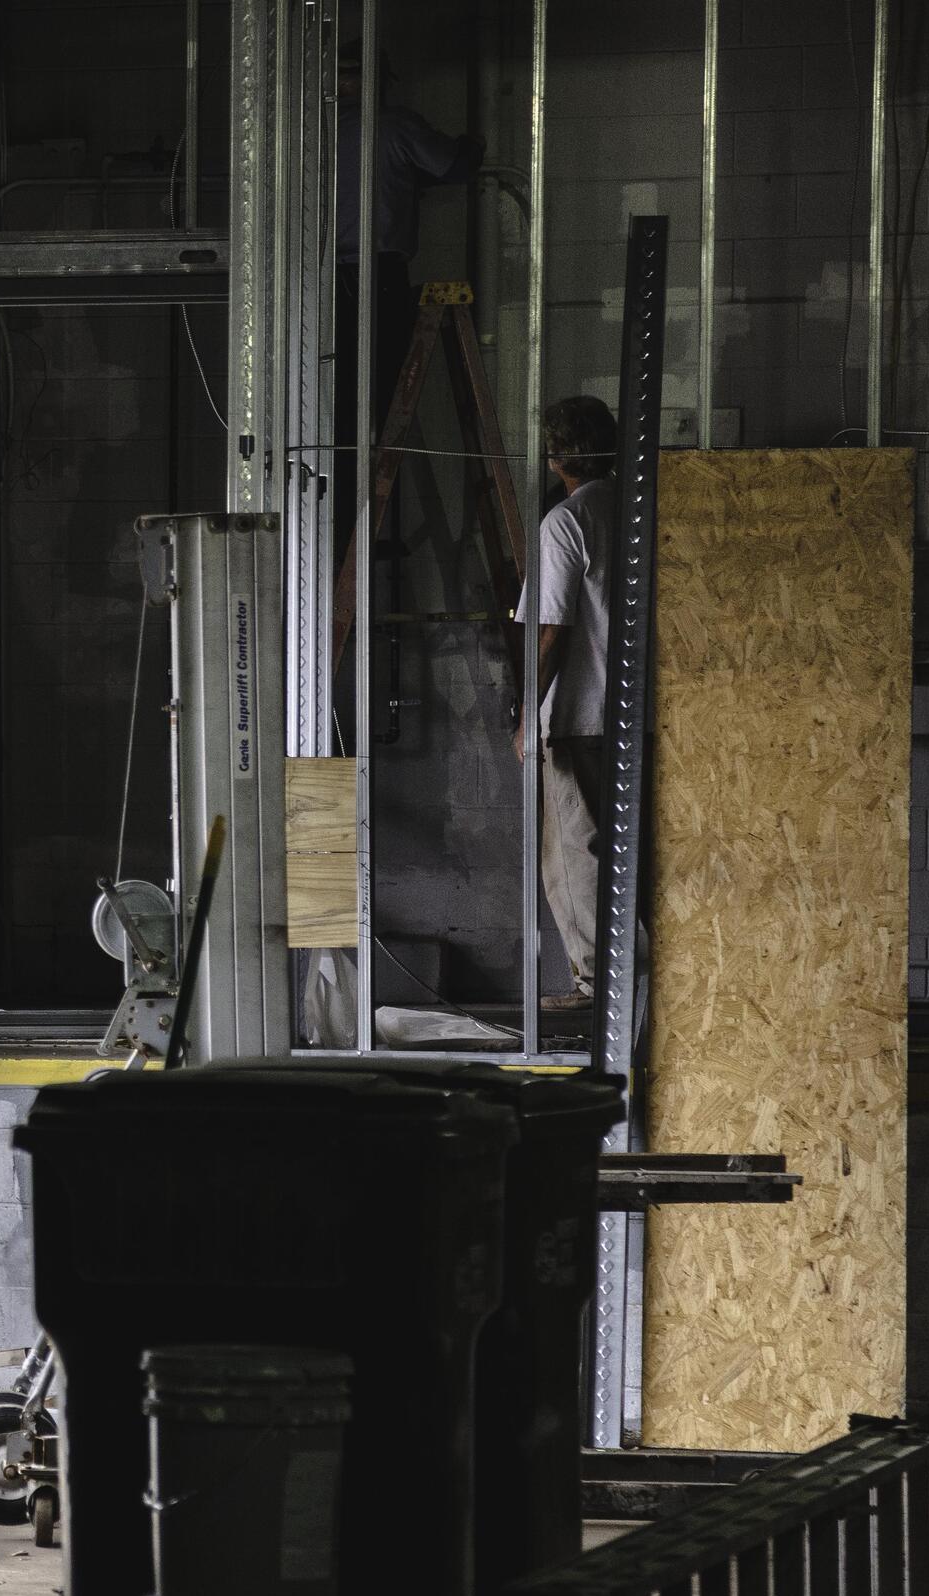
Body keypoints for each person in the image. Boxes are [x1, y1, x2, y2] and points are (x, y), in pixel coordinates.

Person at [333, 44, 481, 555]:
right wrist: (473, 143)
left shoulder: (306, 134)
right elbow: (455, 166)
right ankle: (367, 535)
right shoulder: (391, 126)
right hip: (375, 278)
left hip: (317, 288)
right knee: (379, 403)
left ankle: (339, 536)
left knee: (333, 413)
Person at [514, 395, 617, 1012]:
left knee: (573, 856)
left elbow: (550, 630)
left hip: (578, 719)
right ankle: (630, 977)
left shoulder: (566, 522)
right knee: (625, 851)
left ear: (556, 459)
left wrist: (529, 713)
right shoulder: (639, 513)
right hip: (634, 719)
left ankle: (594, 984)